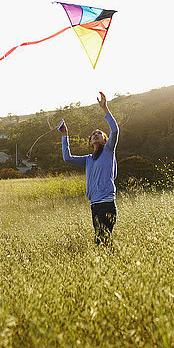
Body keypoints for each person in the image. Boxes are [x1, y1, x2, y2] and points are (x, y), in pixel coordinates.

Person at [59, 91, 119, 246]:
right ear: (90, 141)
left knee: (102, 239)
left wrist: (105, 109)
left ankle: (110, 265)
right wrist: (65, 135)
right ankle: (110, 264)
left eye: (100, 134)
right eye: (94, 135)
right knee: (101, 240)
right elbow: (67, 158)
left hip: (107, 202)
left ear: (106, 140)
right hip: (94, 204)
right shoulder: (88, 159)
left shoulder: (108, 150)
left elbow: (115, 130)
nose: (97, 135)